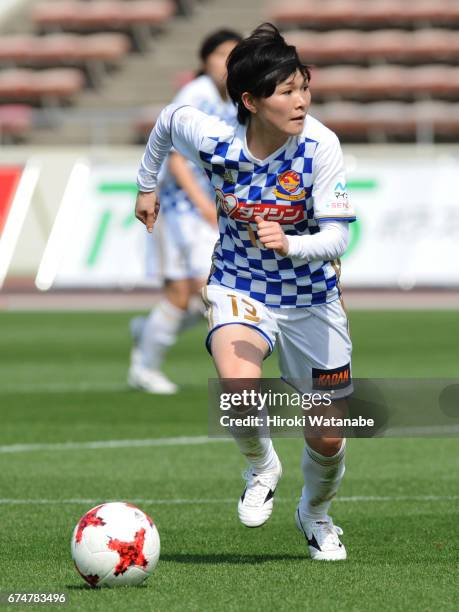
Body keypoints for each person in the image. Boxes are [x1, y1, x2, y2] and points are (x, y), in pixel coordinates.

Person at [135, 23, 356, 561]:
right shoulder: (214, 138)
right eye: (287, 91)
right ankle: (261, 465)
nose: (301, 100)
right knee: (238, 387)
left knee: (328, 436)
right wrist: (145, 185)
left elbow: (339, 236)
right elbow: (166, 122)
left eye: (304, 87)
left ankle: (316, 513)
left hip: (311, 298)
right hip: (239, 283)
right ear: (251, 101)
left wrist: (293, 244)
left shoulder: (320, 146)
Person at [128, 29, 242, 394]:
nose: (226, 62)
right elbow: (176, 157)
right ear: (204, 60)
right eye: (220, 54)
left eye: (234, 55)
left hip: (200, 209)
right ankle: (145, 367)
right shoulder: (197, 95)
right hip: (181, 209)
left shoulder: (231, 102)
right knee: (200, 292)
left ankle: (148, 335)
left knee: (199, 295)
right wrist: (203, 204)